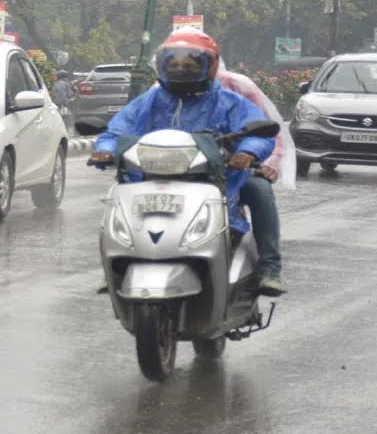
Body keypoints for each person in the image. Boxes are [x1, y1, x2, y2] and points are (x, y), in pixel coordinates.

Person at [88, 28, 283, 296]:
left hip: (219, 177)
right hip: (152, 176)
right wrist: (106, 149)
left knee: (259, 188)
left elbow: (257, 132)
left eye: (189, 66)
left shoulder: (229, 102)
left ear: (209, 66)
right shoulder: (149, 100)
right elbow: (117, 130)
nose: (181, 70)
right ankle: (116, 268)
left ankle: (269, 267)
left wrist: (247, 152)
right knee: (117, 198)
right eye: (174, 65)